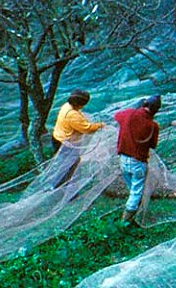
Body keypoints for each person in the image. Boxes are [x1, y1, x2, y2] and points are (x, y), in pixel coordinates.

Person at [114, 94, 161, 225]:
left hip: (123, 160)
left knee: (133, 188)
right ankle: (125, 222)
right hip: (138, 162)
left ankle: (134, 207)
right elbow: (153, 145)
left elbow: (117, 116)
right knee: (136, 191)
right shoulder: (153, 125)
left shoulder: (128, 114)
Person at [51, 89, 105, 189]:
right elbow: (87, 129)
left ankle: (60, 185)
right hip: (66, 143)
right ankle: (63, 188)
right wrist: (99, 125)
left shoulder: (67, 105)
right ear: (79, 103)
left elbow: (80, 117)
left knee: (63, 164)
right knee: (69, 165)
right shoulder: (72, 114)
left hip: (58, 137)